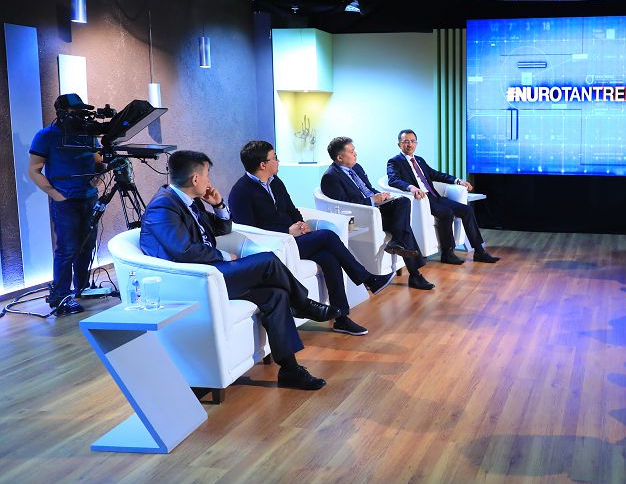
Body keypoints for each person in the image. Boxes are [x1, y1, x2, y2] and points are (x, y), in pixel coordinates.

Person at [140, 150, 338, 390]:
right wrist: (224, 256)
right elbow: (185, 251)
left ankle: (290, 370)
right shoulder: (163, 207)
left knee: (276, 295)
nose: (209, 181)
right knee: (267, 261)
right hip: (194, 281)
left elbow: (222, 229)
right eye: (207, 175)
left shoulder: (190, 201)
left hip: (213, 273)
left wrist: (218, 205)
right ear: (195, 179)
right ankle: (303, 303)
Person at [229, 140, 385, 336]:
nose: (278, 161)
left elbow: (291, 208)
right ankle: (368, 278)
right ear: (263, 164)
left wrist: (301, 224)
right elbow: (250, 230)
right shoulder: (241, 192)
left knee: (329, 257)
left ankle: (342, 318)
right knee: (327, 236)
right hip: (275, 247)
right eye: (275, 157)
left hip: (294, 239)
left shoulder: (275, 182)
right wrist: (287, 231)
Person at [321, 136, 435, 290]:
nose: (355, 154)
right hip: (362, 217)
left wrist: (381, 195)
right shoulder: (330, 177)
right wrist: (373, 201)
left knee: (403, 201)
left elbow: (368, 189)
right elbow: (344, 205)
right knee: (403, 227)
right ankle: (414, 273)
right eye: (351, 151)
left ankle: (397, 242)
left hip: (376, 209)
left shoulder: (356, 167)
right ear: (340, 157)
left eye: (354, 150)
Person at [27, 94, 104, 315]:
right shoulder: (46, 136)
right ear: (62, 112)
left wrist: (98, 179)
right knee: (67, 248)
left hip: (89, 198)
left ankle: (82, 287)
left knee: (87, 246)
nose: (80, 115)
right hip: (65, 201)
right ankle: (61, 296)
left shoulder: (88, 134)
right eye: (75, 111)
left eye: (82, 111)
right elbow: (34, 170)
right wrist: (54, 194)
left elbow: (99, 161)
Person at [387, 129, 499, 265]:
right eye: (406, 141)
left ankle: (479, 251)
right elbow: (393, 180)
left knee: (467, 210)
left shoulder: (419, 160)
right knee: (446, 213)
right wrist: (411, 187)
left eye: (412, 141)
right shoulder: (394, 161)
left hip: (435, 197)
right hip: (422, 199)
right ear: (399, 144)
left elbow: (436, 174)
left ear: (416, 143)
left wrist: (457, 180)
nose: (409, 144)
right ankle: (447, 253)